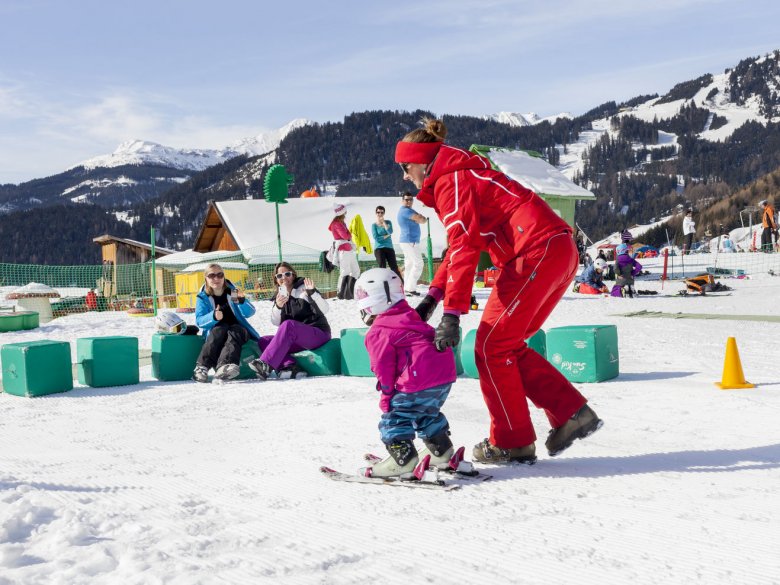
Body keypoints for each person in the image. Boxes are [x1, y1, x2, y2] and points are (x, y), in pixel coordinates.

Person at [395, 117, 602, 464]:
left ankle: (512, 441)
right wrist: (433, 296)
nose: (404, 175)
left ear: (422, 161)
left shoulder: (450, 180)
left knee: (491, 346)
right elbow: (461, 247)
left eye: (405, 166)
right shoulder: (460, 174)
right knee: (504, 346)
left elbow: (463, 246)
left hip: (534, 251)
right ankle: (570, 414)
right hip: (552, 250)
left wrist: (452, 313)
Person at [354, 268, 464, 478]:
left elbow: (383, 369)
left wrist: (387, 396)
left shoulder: (378, 331)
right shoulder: (410, 316)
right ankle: (441, 451)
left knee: (395, 418)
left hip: (418, 379)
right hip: (443, 376)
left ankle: (403, 461)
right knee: (426, 412)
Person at [249, 262, 331, 380]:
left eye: (287, 274)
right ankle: (290, 366)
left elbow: (325, 309)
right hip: (297, 339)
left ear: (293, 275)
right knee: (264, 341)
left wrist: (312, 293)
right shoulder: (280, 296)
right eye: (279, 276)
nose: (283, 278)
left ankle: (265, 364)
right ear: (276, 279)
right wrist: (278, 306)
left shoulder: (304, 289)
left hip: (318, 334)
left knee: (288, 325)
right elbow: (276, 322)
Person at [193, 264, 259, 382]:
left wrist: (242, 302)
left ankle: (225, 366)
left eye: (220, 275)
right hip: (217, 332)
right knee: (220, 328)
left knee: (234, 330)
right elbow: (200, 321)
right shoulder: (203, 297)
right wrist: (213, 316)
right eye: (211, 275)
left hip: (238, 330)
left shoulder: (232, 291)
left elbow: (250, 312)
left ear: (224, 277)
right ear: (206, 278)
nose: (216, 279)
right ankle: (202, 367)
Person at [396, 191, 428, 297]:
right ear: (402, 201)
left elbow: (421, 219)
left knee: (409, 264)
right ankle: (410, 288)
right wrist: (419, 218)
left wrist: (419, 218)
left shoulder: (408, 210)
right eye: (406, 199)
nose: (409, 201)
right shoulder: (405, 211)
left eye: (410, 199)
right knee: (419, 263)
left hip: (407, 241)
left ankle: (407, 288)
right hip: (409, 241)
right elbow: (422, 220)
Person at [328, 203, 361, 299]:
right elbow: (346, 236)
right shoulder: (336, 224)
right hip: (343, 250)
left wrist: (348, 234)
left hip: (348, 250)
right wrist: (349, 234)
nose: (346, 213)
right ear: (341, 212)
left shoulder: (342, 223)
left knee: (356, 270)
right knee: (345, 271)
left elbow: (347, 235)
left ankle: (350, 292)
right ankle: (342, 293)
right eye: (344, 211)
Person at [371, 205, 402, 279]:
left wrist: (384, 223)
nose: (380, 214)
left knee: (394, 267)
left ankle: (401, 284)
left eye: (382, 212)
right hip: (379, 248)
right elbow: (376, 238)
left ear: (384, 213)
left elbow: (390, 231)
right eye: (378, 212)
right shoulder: (374, 225)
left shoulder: (388, 222)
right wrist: (386, 236)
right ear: (376, 213)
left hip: (389, 247)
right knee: (382, 267)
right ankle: (383, 285)